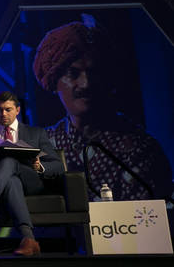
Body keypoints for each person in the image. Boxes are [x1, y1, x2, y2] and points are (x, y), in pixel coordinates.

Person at [33, 20, 172, 202]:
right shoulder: (41, 146)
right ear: (54, 82)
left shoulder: (140, 149)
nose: (86, 83)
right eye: (73, 73)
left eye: (94, 72)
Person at [0, 91, 64, 256]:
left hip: (32, 182)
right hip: (3, 186)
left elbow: (58, 166)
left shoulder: (36, 133)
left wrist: (39, 166)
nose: (3, 114)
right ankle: (29, 239)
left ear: (17, 110)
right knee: (11, 180)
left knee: (9, 160)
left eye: (8, 109)